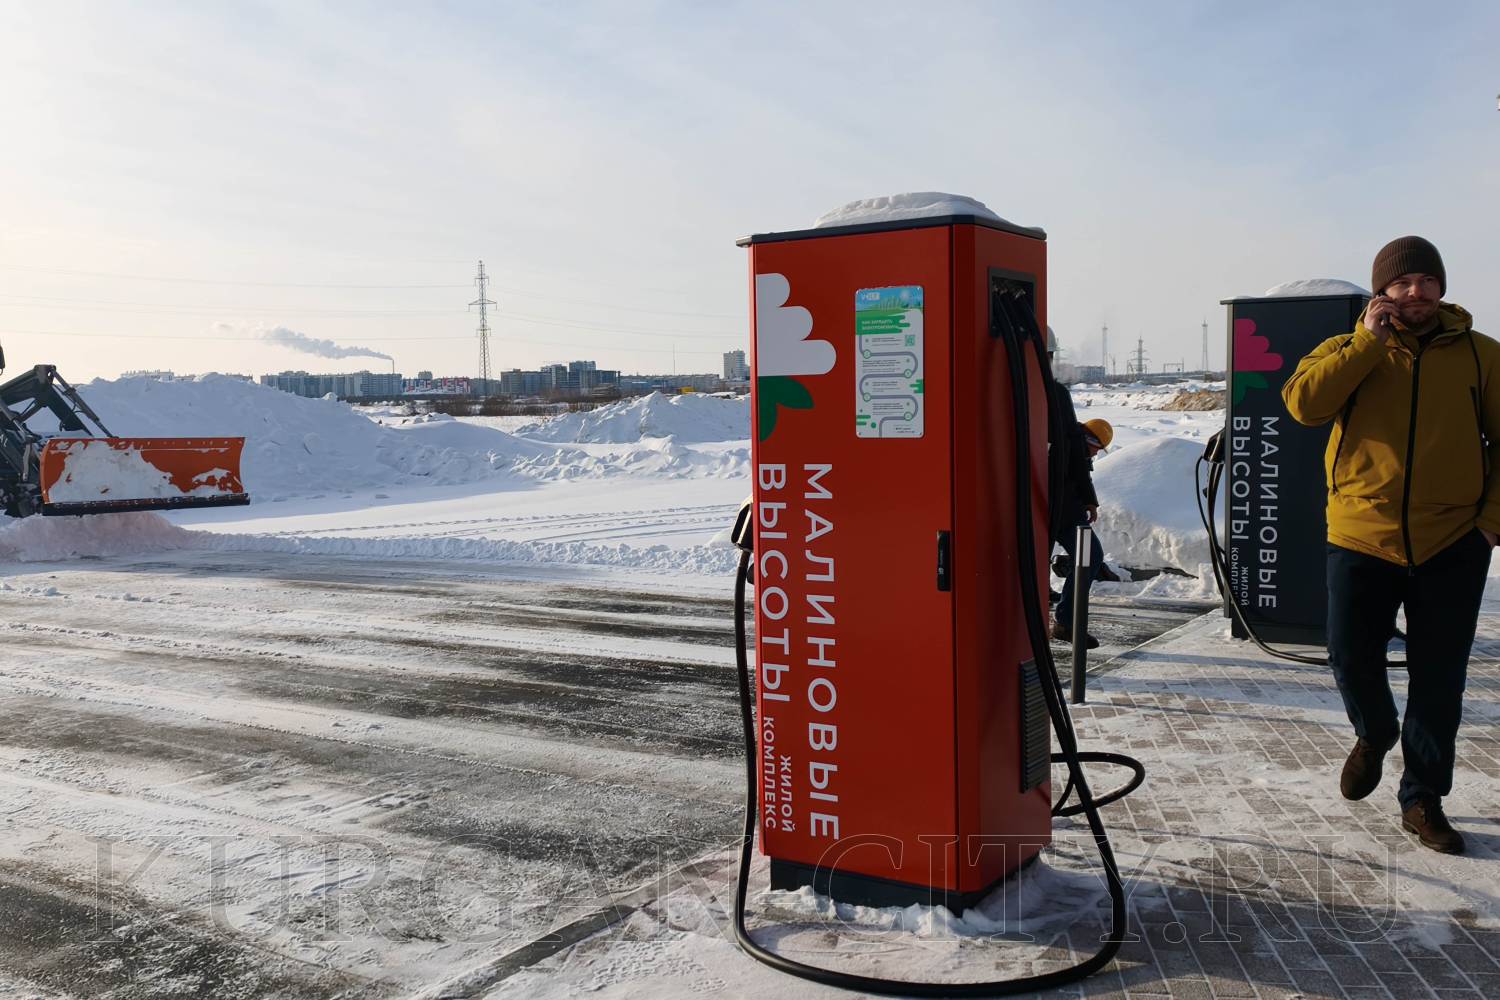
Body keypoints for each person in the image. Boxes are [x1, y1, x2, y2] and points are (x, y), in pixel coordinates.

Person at [1281, 235, 1498, 854]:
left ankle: (1423, 798)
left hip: (1452, 541)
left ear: (1442, 287)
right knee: (1350, 655)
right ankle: (1375, 732)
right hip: (1361, 534)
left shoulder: (1482, 356)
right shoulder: (1347, 348)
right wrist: (1366, 345)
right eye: (1402, 283)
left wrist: (1490, 524)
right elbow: (1303, 406)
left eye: (1426, 281)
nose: (1415, 292)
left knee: (1439, 679)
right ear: (1382, 291)